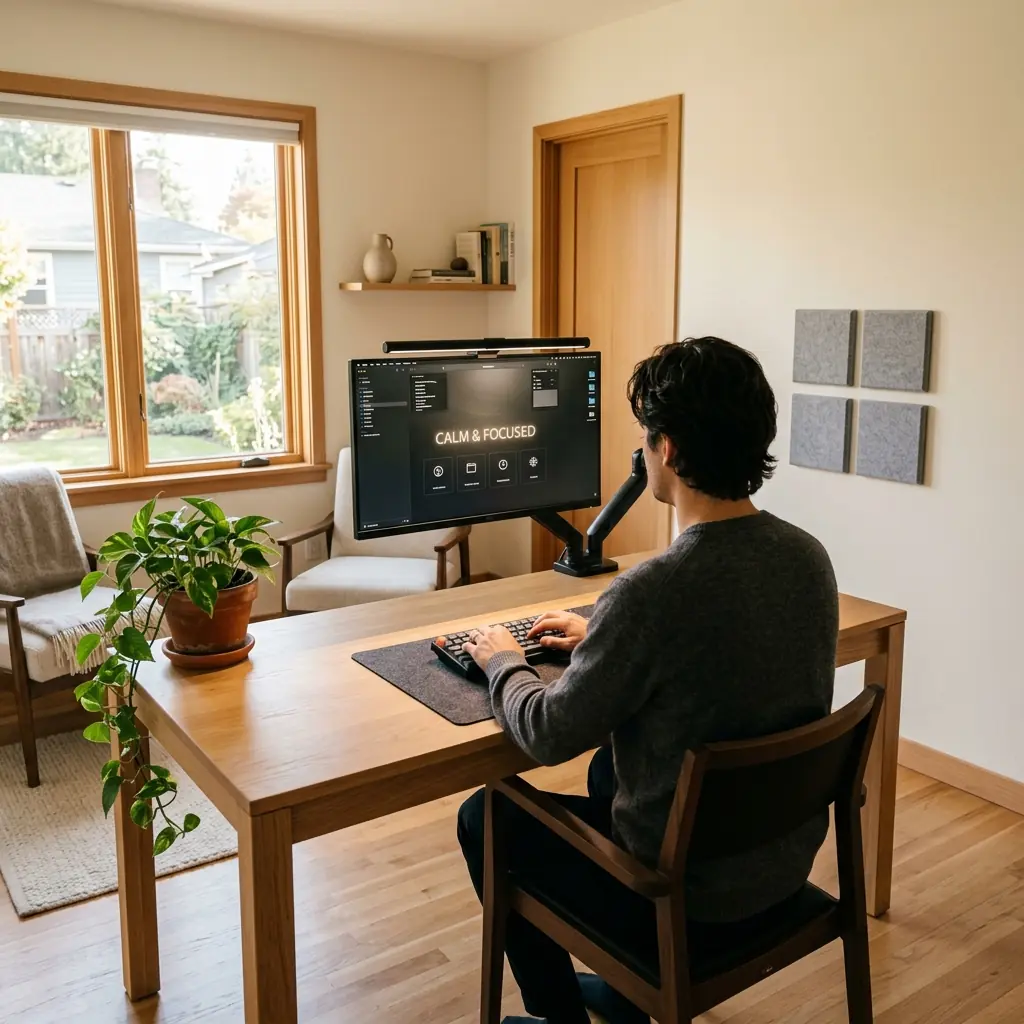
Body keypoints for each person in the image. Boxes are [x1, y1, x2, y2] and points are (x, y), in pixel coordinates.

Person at [457, 336, 839, 1024]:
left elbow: (547, 735)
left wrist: (499, 661)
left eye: (646, 433)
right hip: (778, 873)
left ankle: (561, 1016)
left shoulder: (653, 592)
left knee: (486, 816)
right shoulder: (808, 559)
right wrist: (600, 638)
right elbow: (721, 661)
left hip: (680, 902)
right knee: (612, 772)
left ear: (666, 450)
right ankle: (635, 1002)